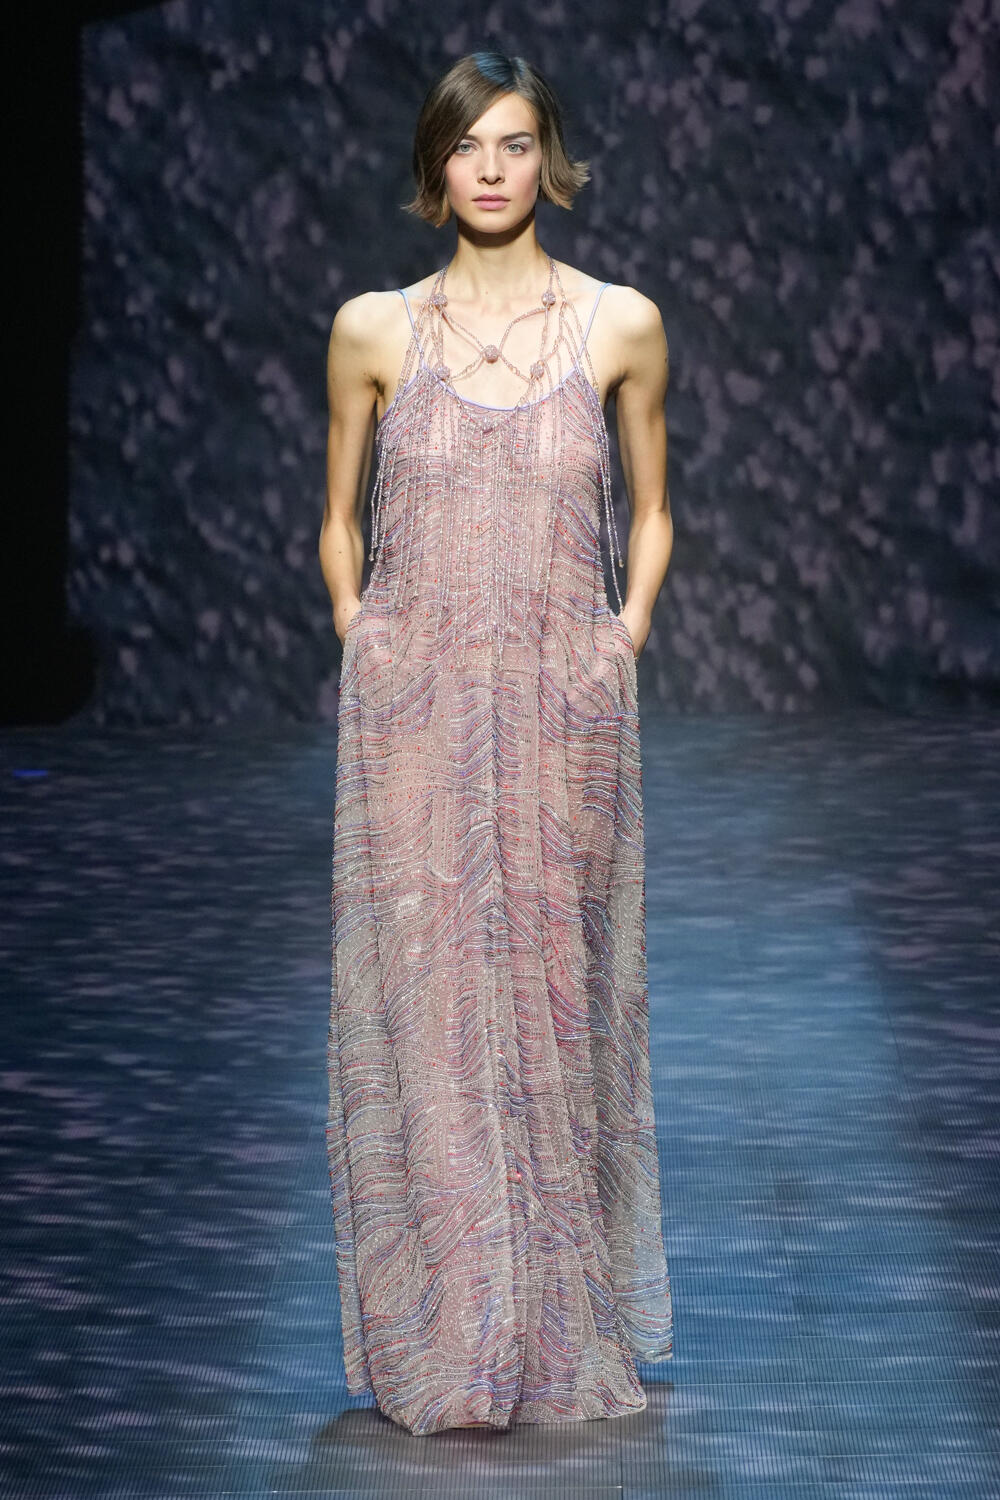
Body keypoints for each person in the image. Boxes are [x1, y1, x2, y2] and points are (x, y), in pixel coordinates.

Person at [319, 49, 674, 1437]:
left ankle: (552, 1321)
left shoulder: (619, 325)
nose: (490, 168)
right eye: (467, 144)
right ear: (435, 163)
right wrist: (363, 630)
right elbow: (338, 516)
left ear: (549, 161)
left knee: (558, 995)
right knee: (430, 1003)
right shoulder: (373, 330)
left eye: (515, 144)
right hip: (413, 716)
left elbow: (652, 506)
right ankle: (457, 1327)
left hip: (561, 710)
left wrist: (618, 639)